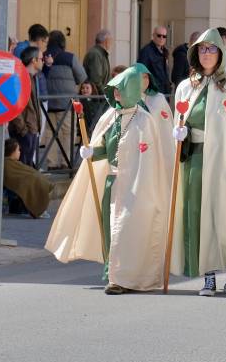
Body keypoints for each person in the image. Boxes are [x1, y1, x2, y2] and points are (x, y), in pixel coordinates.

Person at [47, 66, 174, 293]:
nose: (116, 94)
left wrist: (139, 185)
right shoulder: (112, 117)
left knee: (127, 229)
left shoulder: (144, 120)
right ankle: (113, 275)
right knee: (110, 229)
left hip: (136, 185)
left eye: (120, 89)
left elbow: (149, 158)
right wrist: (91, 153)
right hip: (112, 182)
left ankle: (128, 277)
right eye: (114, 90)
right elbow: (105, 148)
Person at [172, 29, 226, 295]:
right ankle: (207, 273)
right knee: (198, 214)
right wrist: (178, 132)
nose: (206, 54)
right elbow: (180, 119)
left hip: (225, 163)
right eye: (202, 49)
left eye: (212, 49)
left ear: (221, 54)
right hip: (195, 158)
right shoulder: (186, 87)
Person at [42, 30, 87, 167]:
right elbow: (82, 77)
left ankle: (51, 163)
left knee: (50, 132)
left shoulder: (42, 57)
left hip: (47, 102)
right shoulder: (69, 57)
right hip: (66, 103)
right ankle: (66, 162)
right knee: (68, 132)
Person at [8, 46, 44, 167]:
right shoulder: (20, 77)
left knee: (27, 167)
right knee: (22, 168)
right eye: (41, 58)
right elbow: (15, 106)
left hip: (30, 129)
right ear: (34, 60)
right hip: (24, 130)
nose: (43, 61)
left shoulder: (32, 77)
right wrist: (23, 130)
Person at [2, 138, 52, 217]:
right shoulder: (8, 163)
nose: (20, 152)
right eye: (18, 150)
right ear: (12, 152)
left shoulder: (12, 162)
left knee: (36, 178)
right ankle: (37, 208)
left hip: (28, 179)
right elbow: (13, 177)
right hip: (23, 181)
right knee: (34, 179)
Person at [137, 26, 172, 96]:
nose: (161, 38)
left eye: (164, 36)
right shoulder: (146, 51)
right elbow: (141, 73)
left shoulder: (165, 51)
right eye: (159, 35)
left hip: (164, 93)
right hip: (152, 93)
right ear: (153, 36)